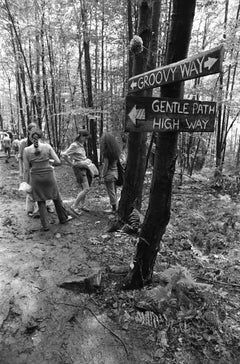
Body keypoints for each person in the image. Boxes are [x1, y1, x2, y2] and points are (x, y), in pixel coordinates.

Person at [23, 127, 72, 231]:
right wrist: (48, 162)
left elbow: (27, 169)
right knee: (56, 197)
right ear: (41, 137)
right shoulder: (47, 146)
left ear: (31, 138)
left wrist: (26, 183)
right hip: (49, 176)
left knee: (41, 200)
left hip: (35, 178)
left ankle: (45, 225)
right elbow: (58, 161)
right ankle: (63, 218)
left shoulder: (26, 150)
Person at [62, 129, 93, 215]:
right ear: (80, 136)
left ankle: (82, 205)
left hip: (84, 167)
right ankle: (74, 206)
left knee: (84, 188)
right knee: (86, 188)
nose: (86, 140)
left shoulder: (81, 145)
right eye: (85, 138)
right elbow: (64, 155)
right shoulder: (74, 145)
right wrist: (71, 164)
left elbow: (81, 157)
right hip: (79, 168)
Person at [100, 132, 121, 213]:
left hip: (109, 174)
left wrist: (102, 175)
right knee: (114, 191)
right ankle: (115, 206)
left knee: (111, 192)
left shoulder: (106, 153)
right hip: (115, 173)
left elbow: (105, 166)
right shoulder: (115, 151)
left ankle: (114, 209)